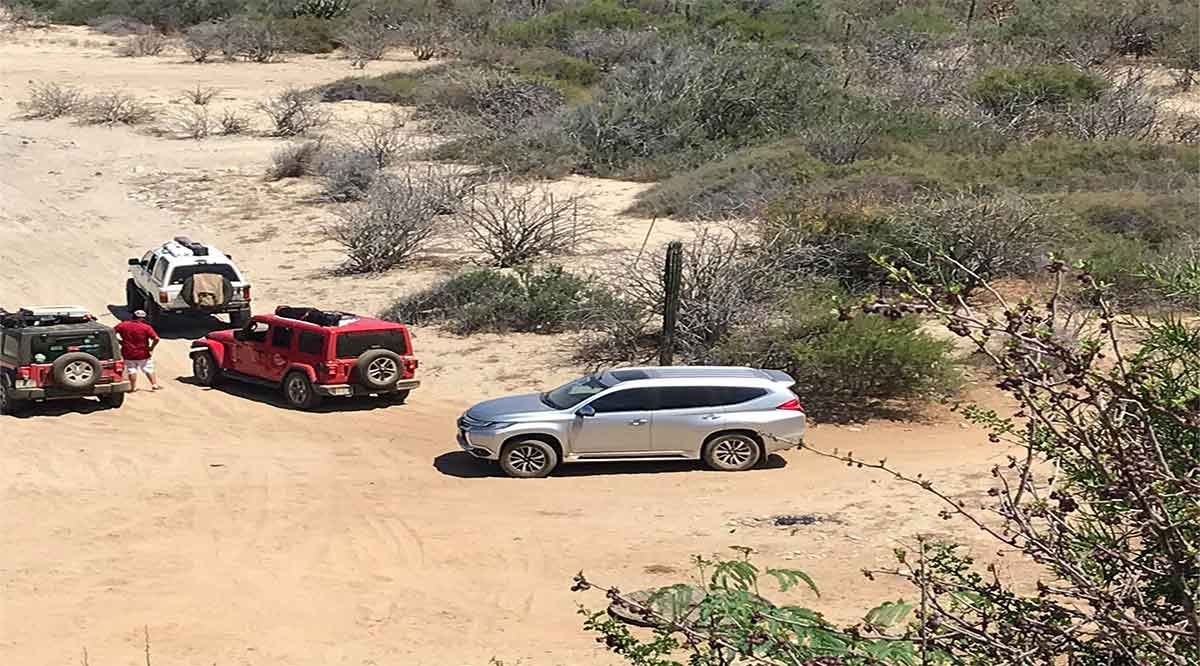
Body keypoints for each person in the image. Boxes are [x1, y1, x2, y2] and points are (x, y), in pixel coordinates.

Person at [115, 309, 161, 392]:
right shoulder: (146, 327)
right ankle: (154, 385)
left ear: (133, 316)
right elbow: (156, 338)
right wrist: (151, 347)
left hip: (128, 352)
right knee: (148, 368)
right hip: (143, 353)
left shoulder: (123, 325)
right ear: (142, 318)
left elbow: (111, 333)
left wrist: (119, 341)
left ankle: (133, 387)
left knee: (131, 370)